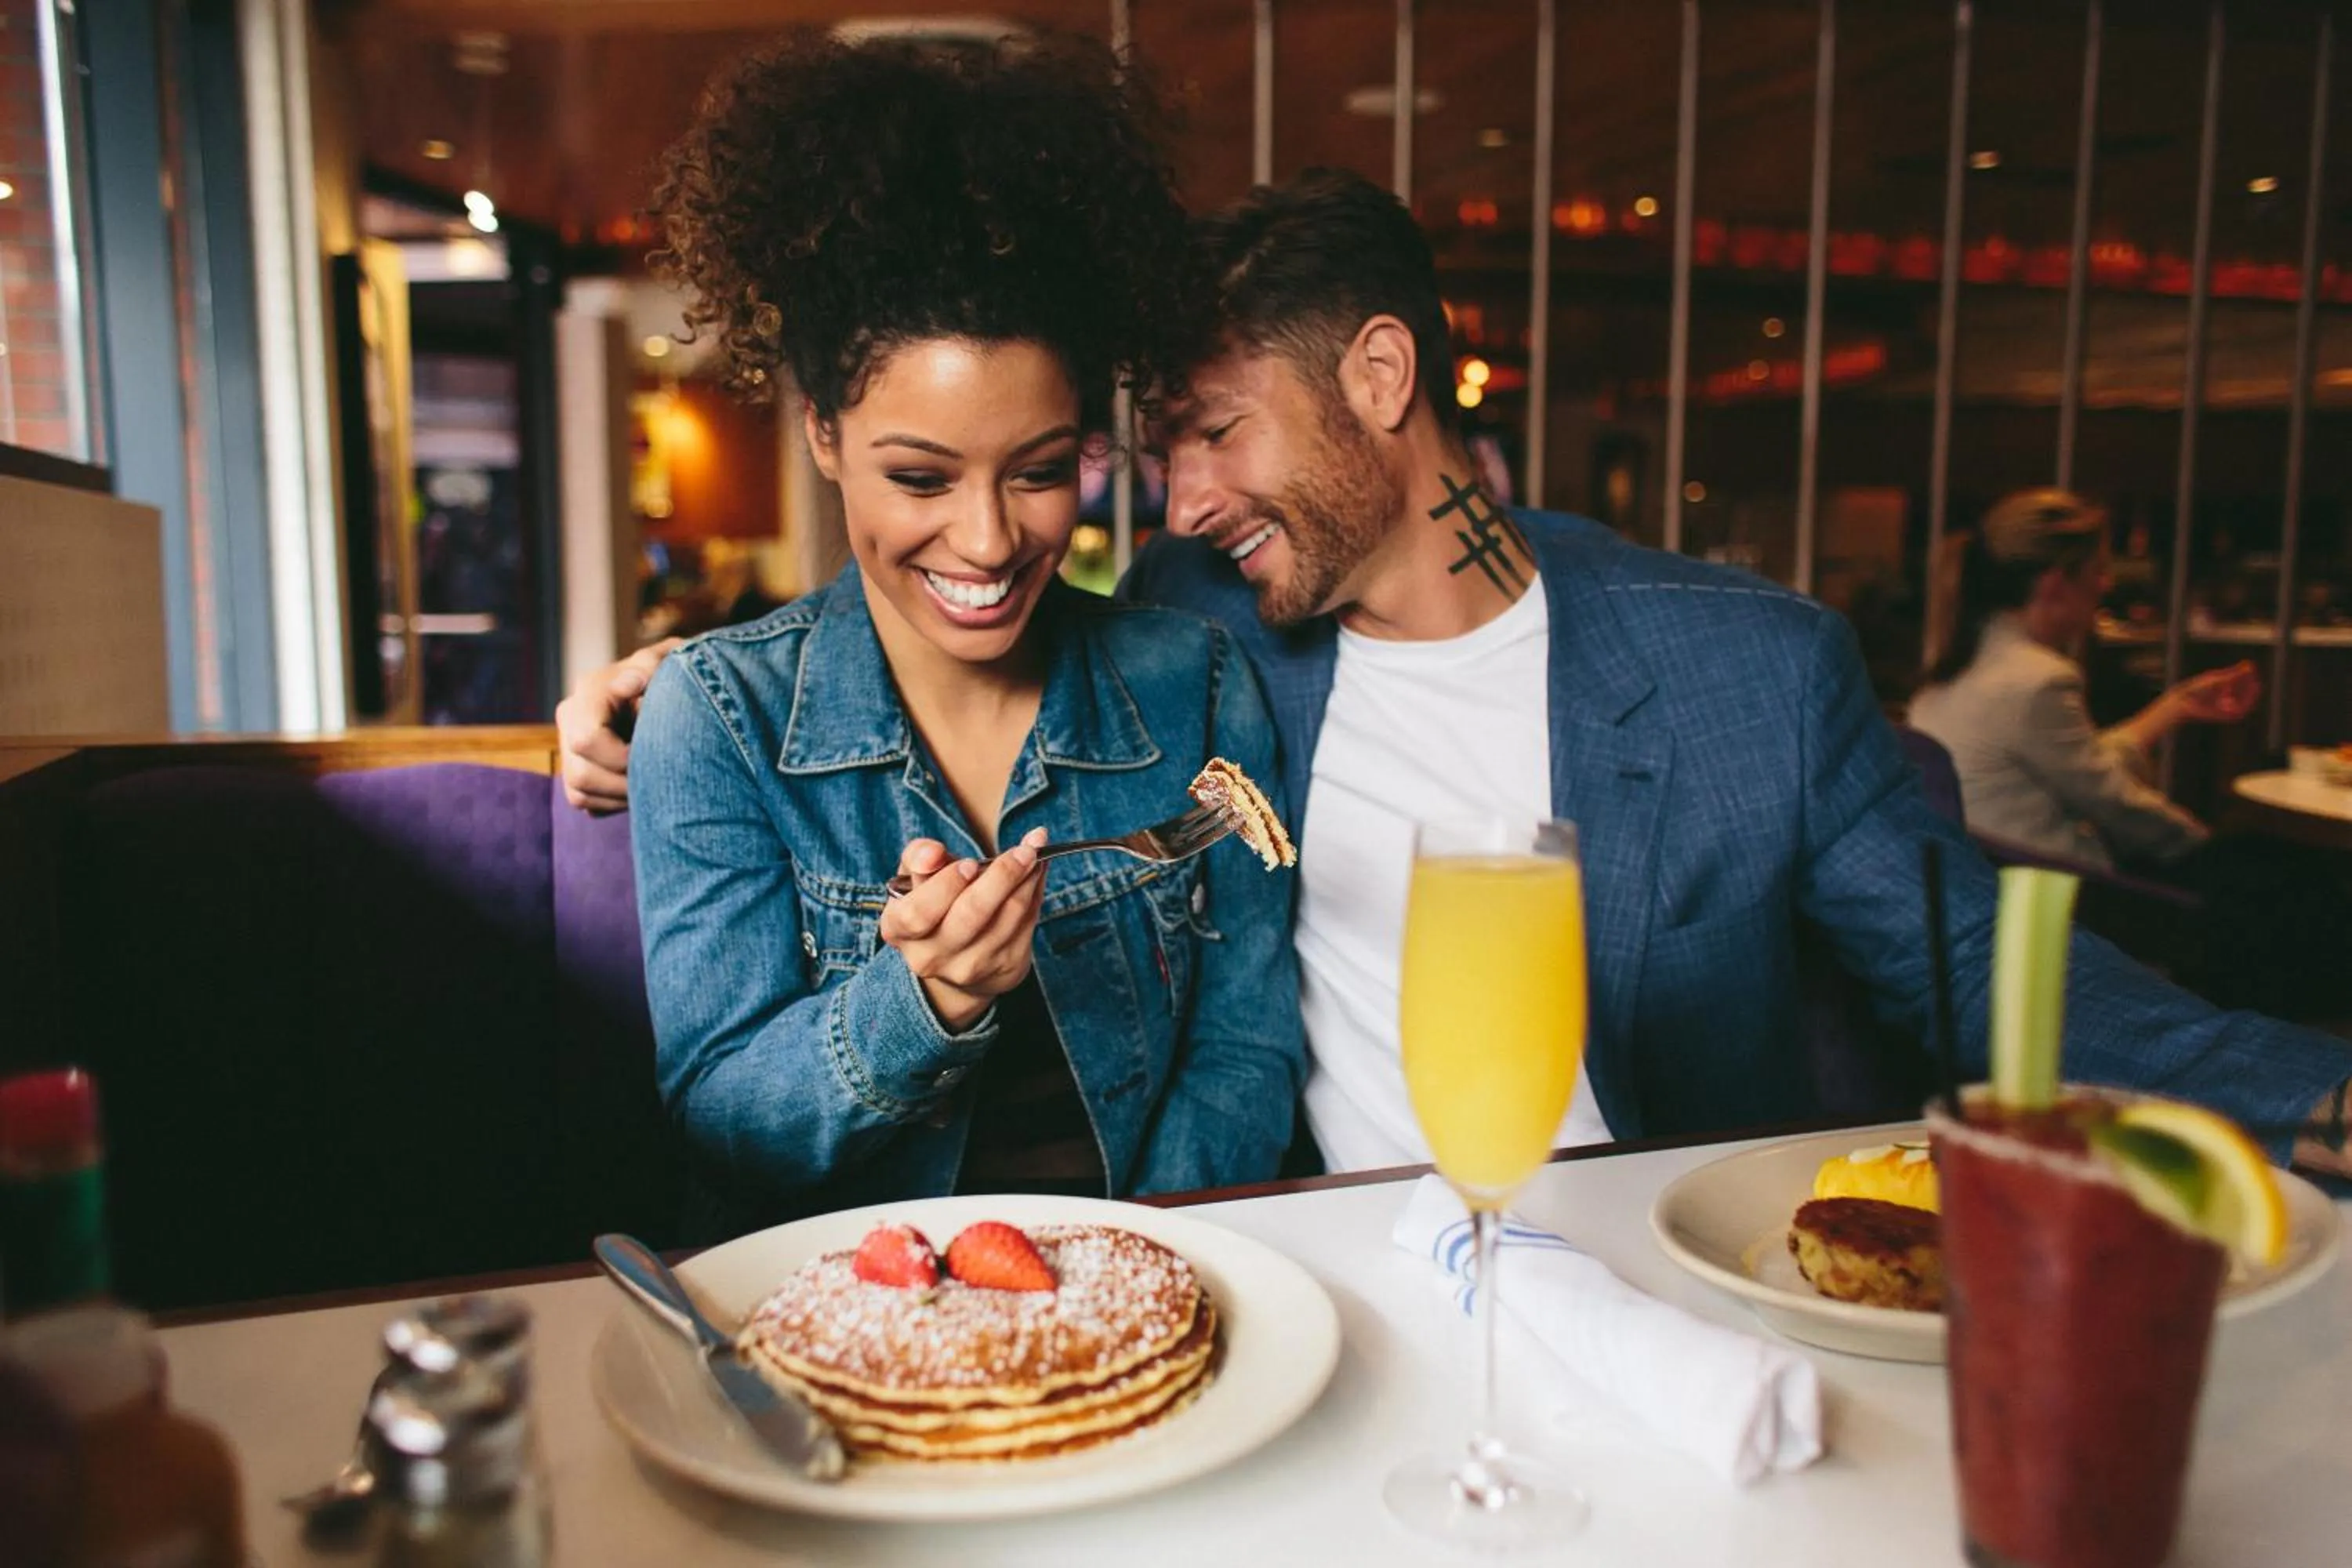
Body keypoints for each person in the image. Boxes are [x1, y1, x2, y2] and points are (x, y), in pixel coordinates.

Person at [569, 167, 2352, 1181]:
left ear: (1375, 376)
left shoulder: (1743, 669)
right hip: (1339, 1273)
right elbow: (938, 630)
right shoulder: (1199, 644)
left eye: (1212, 432)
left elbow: (1966, 960)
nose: (1176, 499)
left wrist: (2311, 1092)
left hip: (1642, 1266)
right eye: (1158, 447)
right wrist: (655, 687)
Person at [624, 32, 1304, 1230]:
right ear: (824, 433)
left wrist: (1130, 1267)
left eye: (1039, 471)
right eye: (922, 478)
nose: (988, 542)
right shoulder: (721, 719)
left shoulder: (1194, 685)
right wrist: (921, 1004)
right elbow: (723, 1120)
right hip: (849, 1304)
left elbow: (1244, 1055)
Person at [1907, 488, 2256, 871]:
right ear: (2055, 583)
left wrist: (2176, 707)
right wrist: (2216, 851)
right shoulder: (2037, 680)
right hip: (2064, 895)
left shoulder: (1957, 669)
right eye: (2098, 570)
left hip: (1977, 888)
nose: (2107, 584)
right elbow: (2117, 805)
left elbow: (2082, 768)